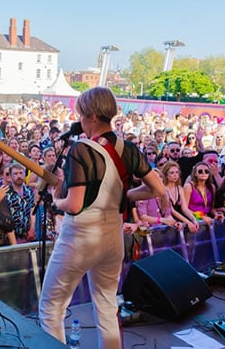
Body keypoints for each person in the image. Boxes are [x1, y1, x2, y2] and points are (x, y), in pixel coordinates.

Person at [39, 87, 164, 349]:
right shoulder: (128, 148)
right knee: (107, 305)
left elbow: (73, 205)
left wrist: (55, 198)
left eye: (82, 115)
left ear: (93, 116)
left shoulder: (81, 149)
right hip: (113, 237)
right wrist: (122, 195)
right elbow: (157, 188)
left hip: (81, 237)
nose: (80, 121)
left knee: (52, 307)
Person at [6, 163, 36, 243]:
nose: (19, 176)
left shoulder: (29, 191)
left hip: (27, 235)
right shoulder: (6, 193)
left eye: (21, 173)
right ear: (11, 176)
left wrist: (32, 229)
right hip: (12, 236)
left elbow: (32, 211)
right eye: (15, 174)